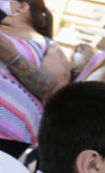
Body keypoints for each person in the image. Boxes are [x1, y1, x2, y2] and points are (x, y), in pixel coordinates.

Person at [0, 0, 69, 159]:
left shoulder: (47, 46)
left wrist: (13, 58)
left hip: (9, 135)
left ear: (22, 7)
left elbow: (59, 93)